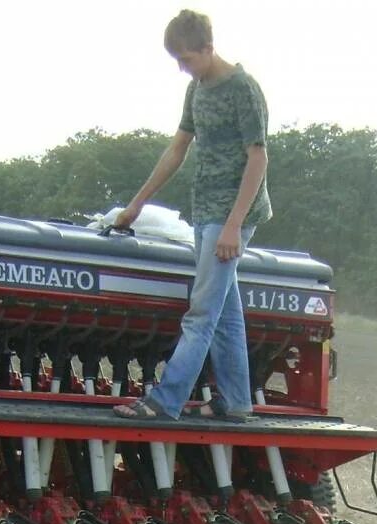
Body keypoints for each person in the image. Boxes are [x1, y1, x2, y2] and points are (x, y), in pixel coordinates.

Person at [113, 10, 272, 421]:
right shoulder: (196, 89)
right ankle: (237, 403)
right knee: (225, 314)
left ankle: (164, 402)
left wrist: (234, 226)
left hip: (232, 215)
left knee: (201, 312)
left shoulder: (244, 89)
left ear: (208, 47)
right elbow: (177, 149)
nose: (183, 68)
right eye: (178, 62)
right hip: (204, 213)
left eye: (187, 59)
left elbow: (258, 158)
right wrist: (137, 203)